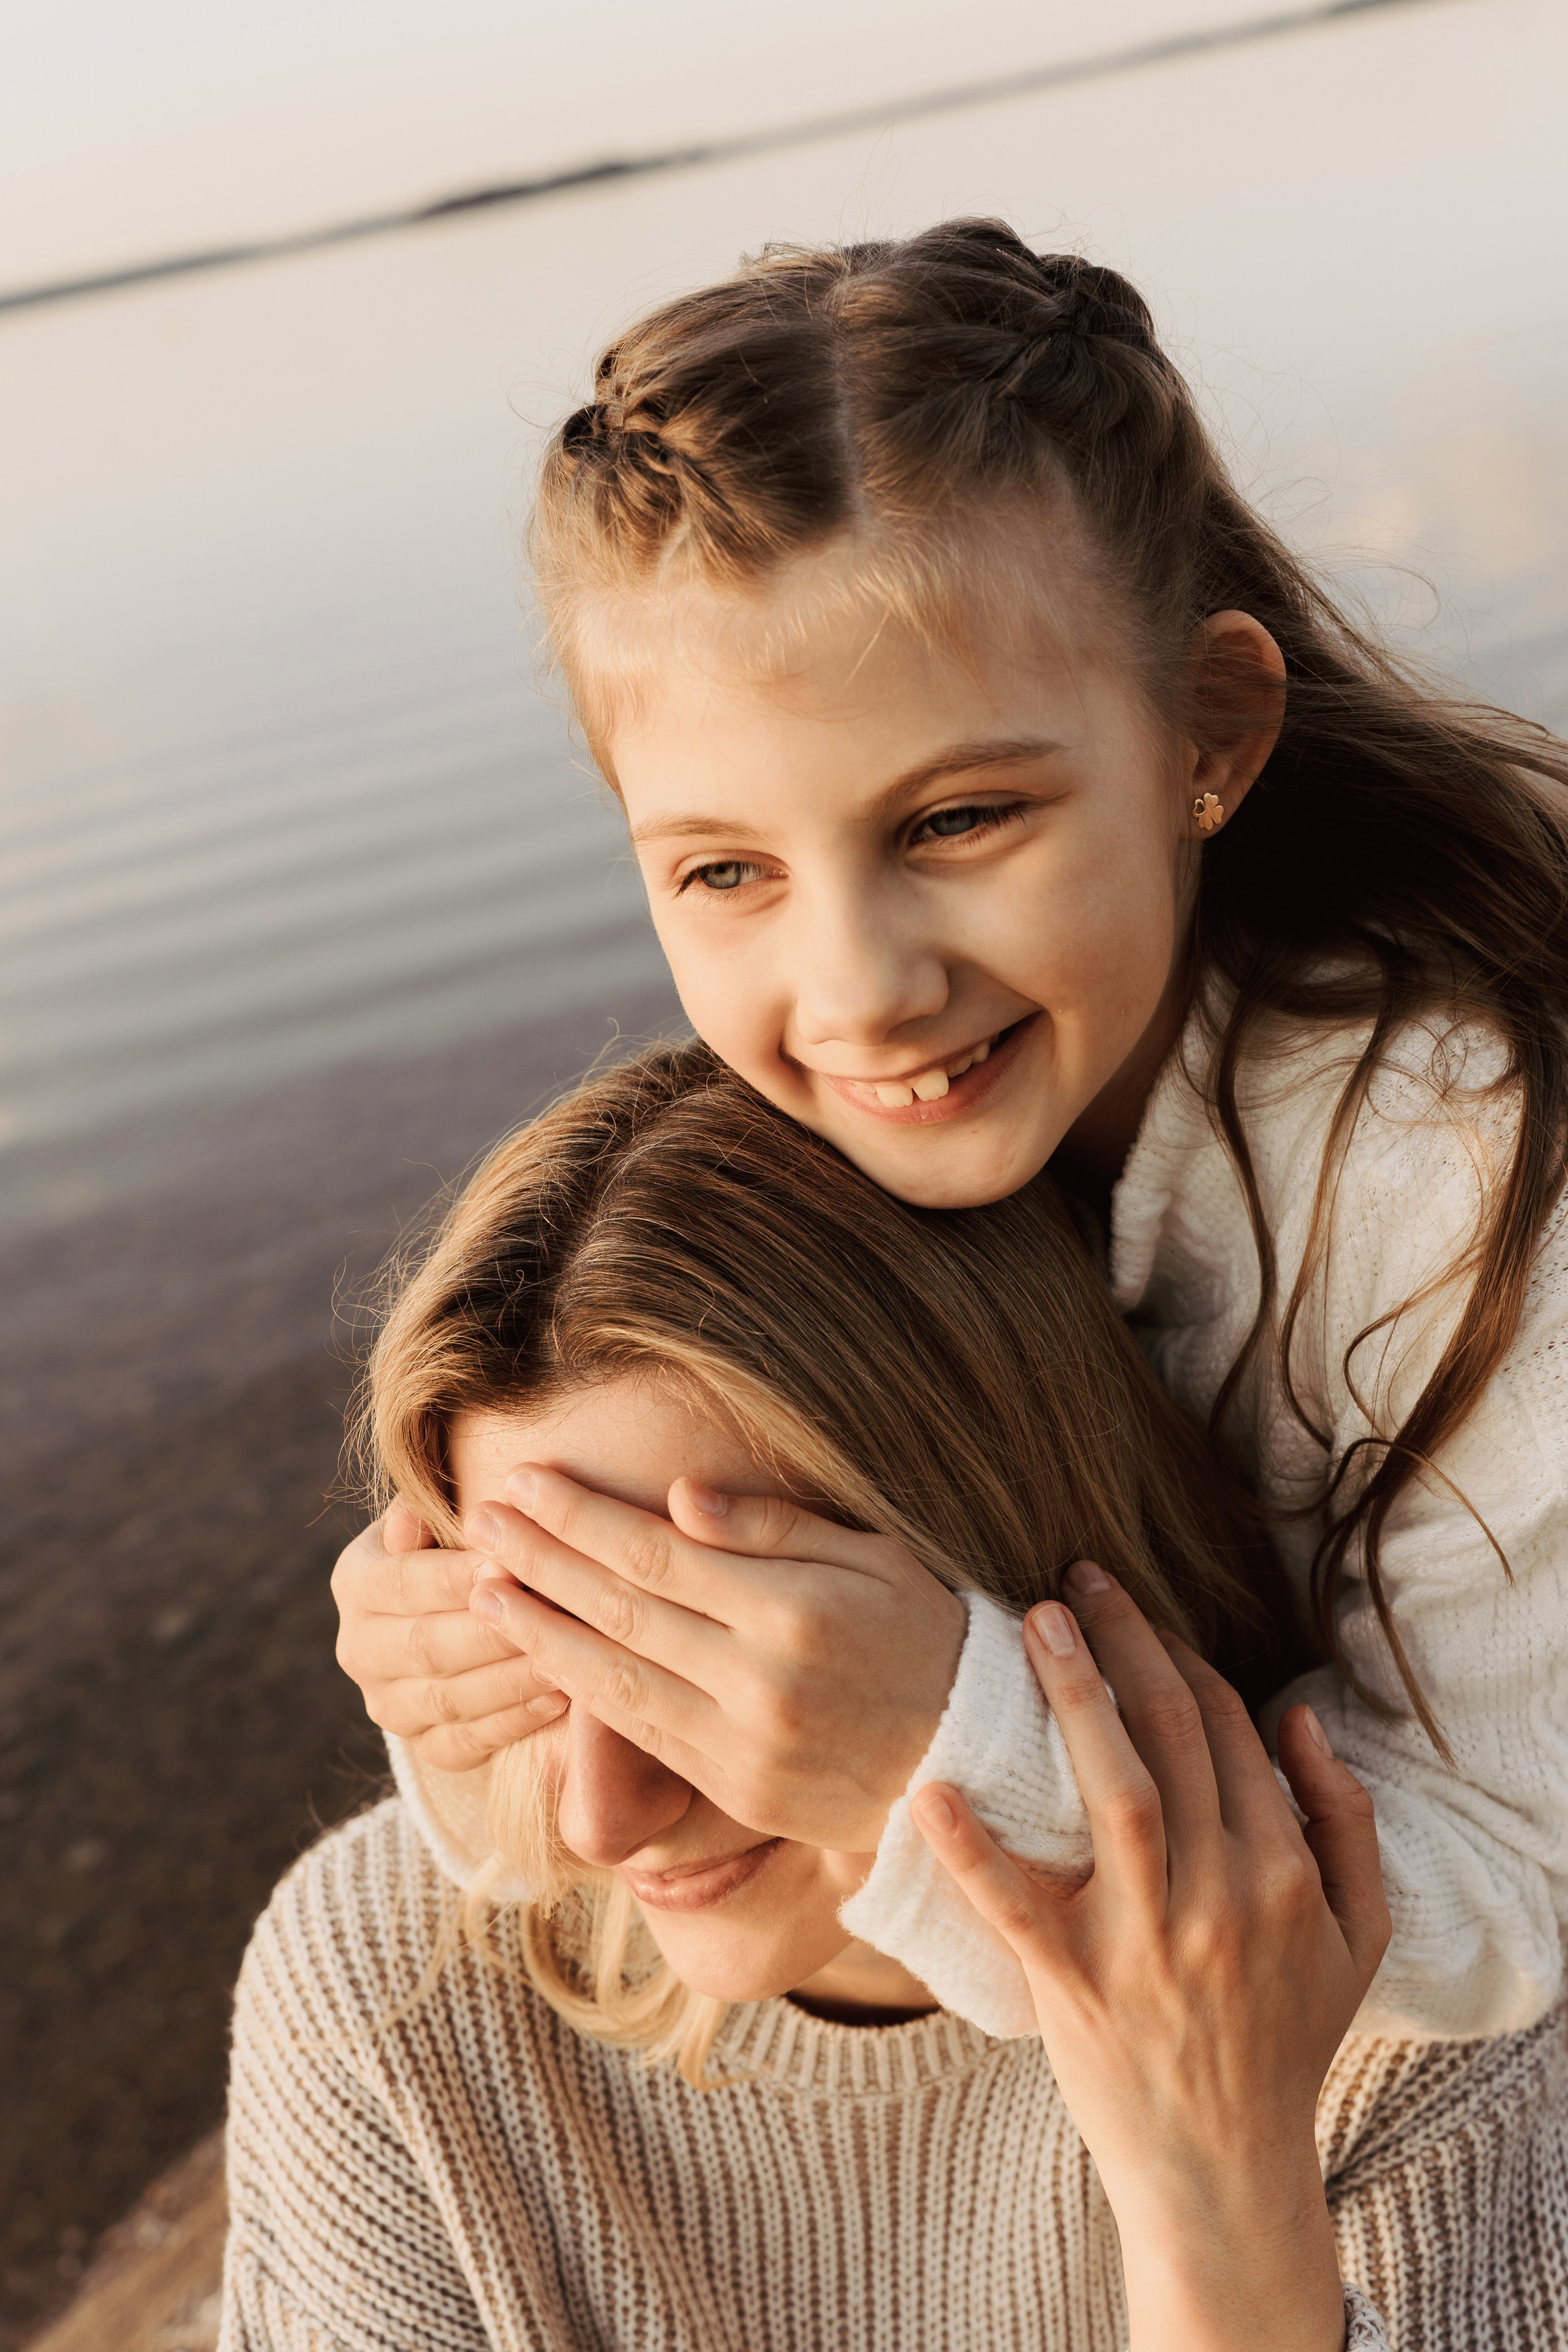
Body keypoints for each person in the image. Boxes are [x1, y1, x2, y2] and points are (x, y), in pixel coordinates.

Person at [334, 227, 1568, 2060]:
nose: (857, 990)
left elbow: (1509, 1907)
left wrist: (941, 1742)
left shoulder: (1449, 1173)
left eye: (961, 818)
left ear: (1206, 736)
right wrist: (482, 1674)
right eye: (725, 871)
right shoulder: (866, 1099)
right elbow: (582, 1813)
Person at [226, 1045, 1412, 2351]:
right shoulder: (391, 1998)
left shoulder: (1386, 1999)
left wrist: (1220, 2201)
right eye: (537, 1648)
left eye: (709, 1656)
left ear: (1006, 1553)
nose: (603, 1824)